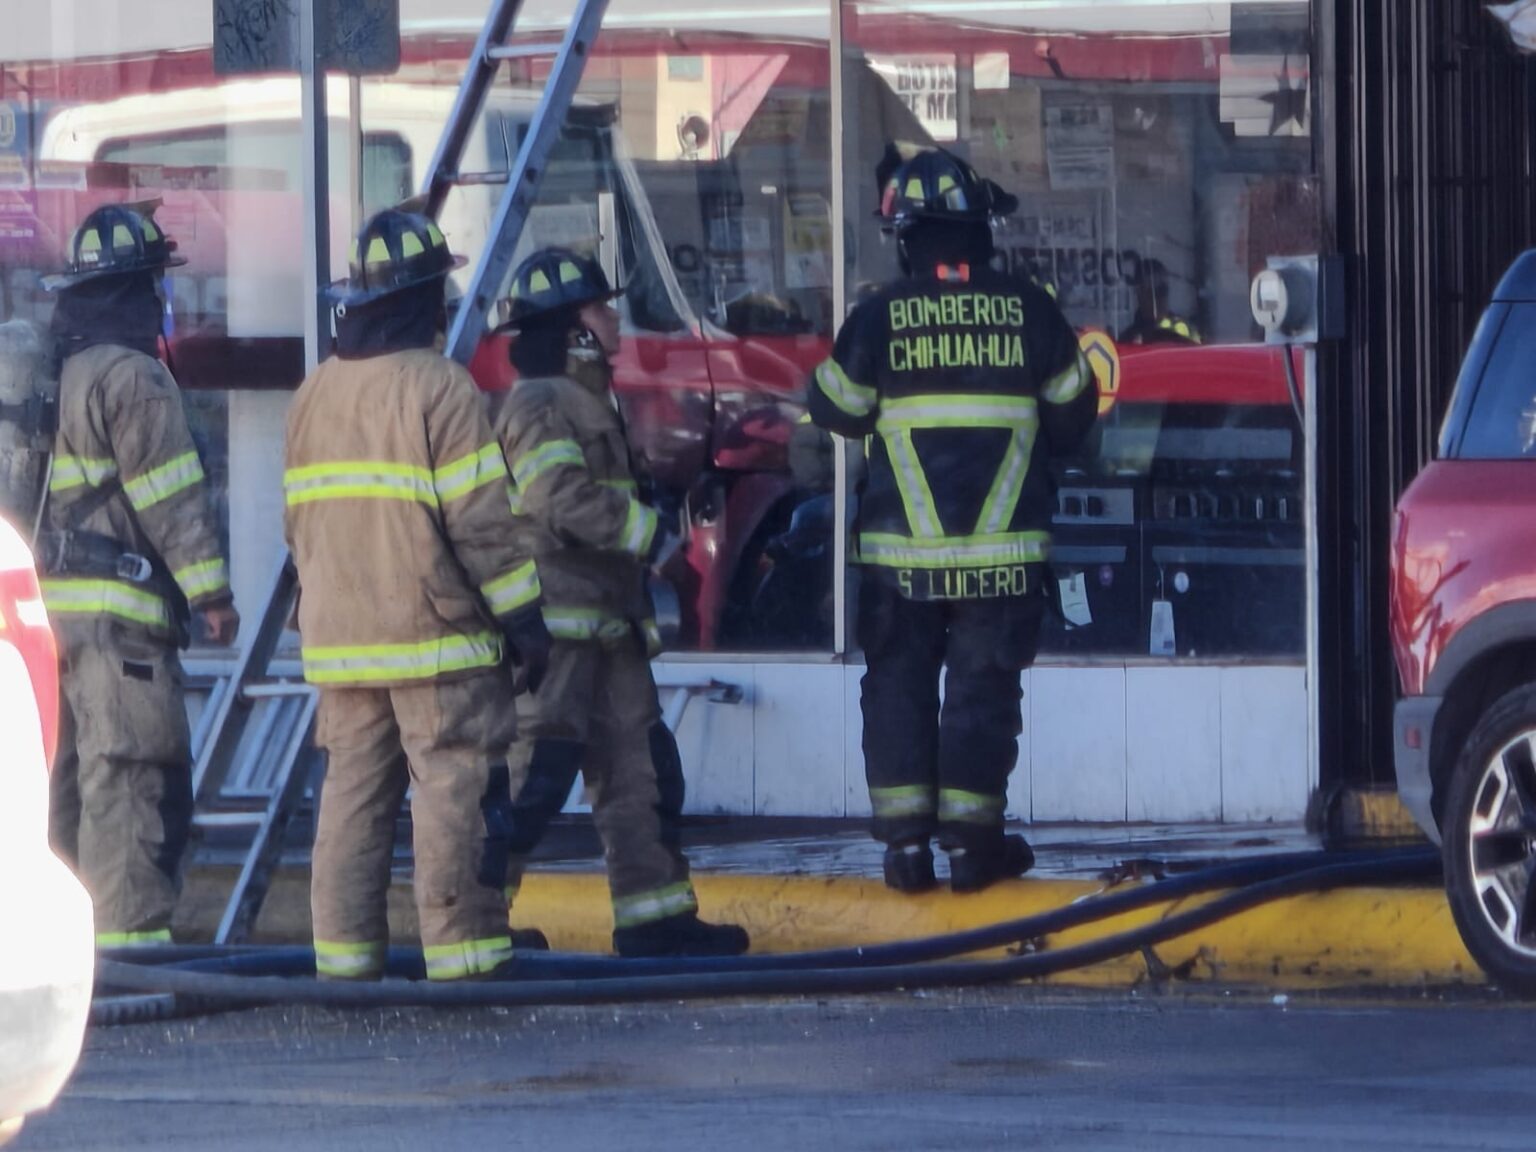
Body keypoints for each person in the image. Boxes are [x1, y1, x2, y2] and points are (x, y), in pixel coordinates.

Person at [809, 148, 1099, 894]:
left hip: (900, 562)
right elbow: (1074, 416)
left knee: (898, 687)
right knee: (982, 690)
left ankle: (906, 849)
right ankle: (973, 849)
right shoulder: (1030, 310)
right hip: (1002, 559)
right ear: (980, 232)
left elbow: (833, 409)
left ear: (906, 238)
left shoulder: (876, 316)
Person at [283, 207, 551, 981]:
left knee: (353, 802)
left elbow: (294, 527)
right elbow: (485, 527)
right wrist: (525, 621)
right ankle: (465, 959)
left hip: (341, 644)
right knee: (453, 791)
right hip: (433, 640)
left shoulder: (313, 394)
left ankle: (344, 962)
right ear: (423, 297)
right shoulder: (440, 387)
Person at [489, 247, 749, 958]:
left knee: (641, 777)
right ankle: (476, 921)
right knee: (534, 778)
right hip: (562, 632)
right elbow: (556, 497)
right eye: (601, 309)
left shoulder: (586, 399)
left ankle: (654, 917)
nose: (614, 319)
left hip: (612, 633)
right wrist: (652, 537)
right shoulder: (538, 404)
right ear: (572, 328)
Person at [38, 200, 240, 946]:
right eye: (156, 284)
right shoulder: (132, 378)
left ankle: (57, 950)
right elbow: (173, 500)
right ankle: (126, 953)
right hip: (118, 618)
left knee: (61, 779)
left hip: (45, 615)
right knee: (126, 777)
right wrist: (211, 593)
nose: (162, 299)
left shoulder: (50, 373)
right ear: (137, 292)